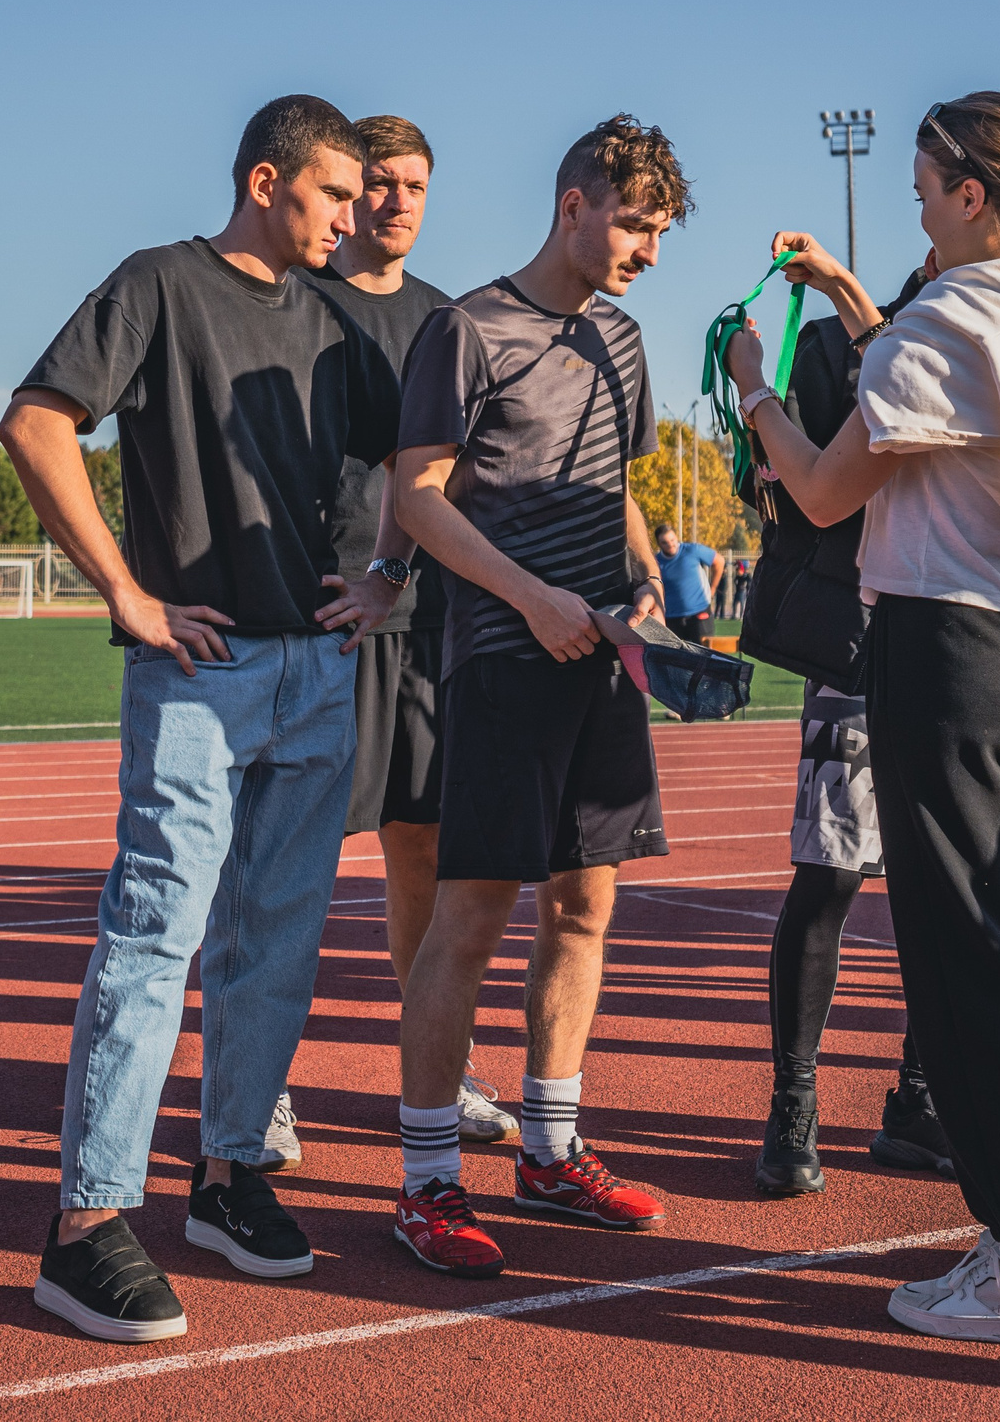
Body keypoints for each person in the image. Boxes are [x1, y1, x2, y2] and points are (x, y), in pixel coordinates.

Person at [727, 91, 1000, 1349]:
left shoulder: (939, 326)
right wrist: (859, 302)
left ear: (966, 193)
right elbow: (945, 381)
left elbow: (825, 487)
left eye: (919, 190)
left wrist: (754, 396)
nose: (911, 204)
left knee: (963, 960)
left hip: (946, 649)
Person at [1, 95, 400, 1342]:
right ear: (267, 181)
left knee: (276, 946)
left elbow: (409, 464)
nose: (359, 214)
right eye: (338, 193)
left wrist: (392, 578)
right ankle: (86, 1225)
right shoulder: (160, 285)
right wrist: (127, 593)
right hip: (199, 673)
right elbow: (36, 420)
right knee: (155, 936)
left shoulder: (338, 320)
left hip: (321, 671)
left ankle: (230, 1177)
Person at [384, 115, 685, 1278]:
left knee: (585, 909)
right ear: (575, 204)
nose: (648, 251)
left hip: (602, 657)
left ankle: (553, 1152)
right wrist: (530, 600)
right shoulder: (468, 329)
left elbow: (613, 483)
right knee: (470, 920)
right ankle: (423, 1182)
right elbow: (417, 498)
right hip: (503, 659)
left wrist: (645, 572)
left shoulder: (622, 333)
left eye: (659, 231)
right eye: (637, 225)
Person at [287, 115, 520, 1161]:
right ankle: (264, 1081)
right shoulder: (295, 299)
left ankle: (443, 1067)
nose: (396, 203)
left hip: (427, 622)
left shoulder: (446, 319)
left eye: (415, 186)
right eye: (378, 184)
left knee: (422, 850)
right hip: (320, 612)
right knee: (287, 859)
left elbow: (464, 475)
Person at [744, 252, 952, 1196]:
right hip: (862, 644)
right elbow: (806, 490)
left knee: (940, 893)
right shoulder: (832, 345)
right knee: (828, 876)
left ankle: (917, 1094)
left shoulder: (990, 339)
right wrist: (758, 399)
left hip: (956, 645)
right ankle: (794, 1102)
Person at [654, 522, 721, 645]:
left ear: (676, 537)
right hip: (671, 618)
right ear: (659, 544)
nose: (670, 545)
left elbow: (719, 561)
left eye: (672, 540)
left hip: (699, 613)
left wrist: (713, 589)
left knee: (705, 655)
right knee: (676, 658)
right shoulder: (656, 562)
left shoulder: (692, 550)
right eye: (665, 542)